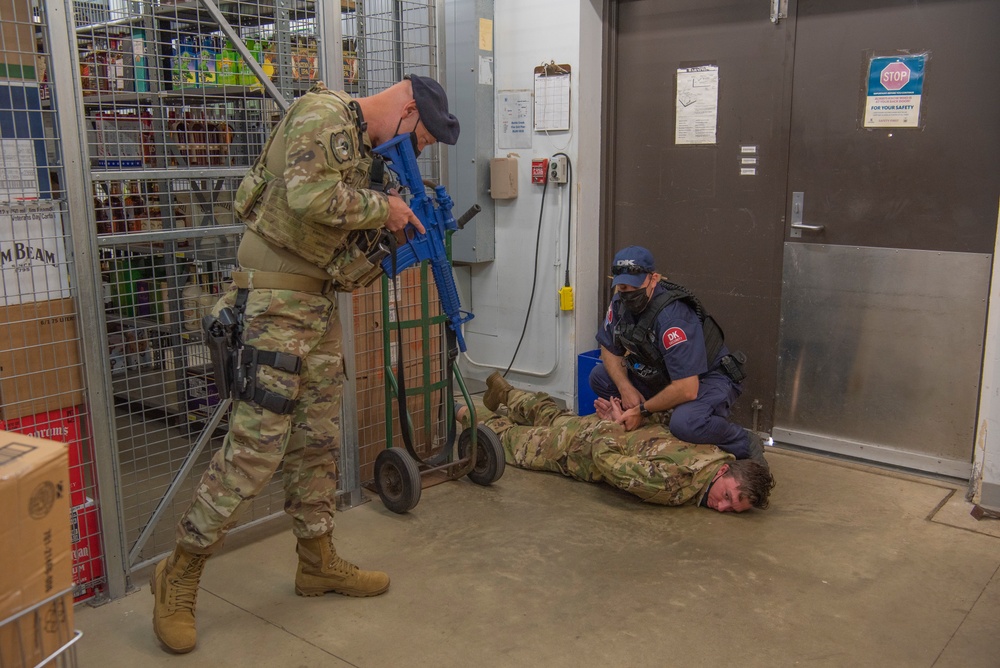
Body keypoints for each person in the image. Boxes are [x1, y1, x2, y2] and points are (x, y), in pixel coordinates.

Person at [150, 75, 460, 654]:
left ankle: (316, 561)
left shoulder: (360, 150)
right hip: (274, 303)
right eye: (422, 138)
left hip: (313, 306)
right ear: (409, 108)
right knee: (255, 446)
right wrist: (384, 209)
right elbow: (306, 198)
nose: (419, 150)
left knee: (316, 441)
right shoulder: (324, 115)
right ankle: (180, 572)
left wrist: (386, 242)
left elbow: (331, 241)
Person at [476, 373, 774, 512]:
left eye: (732, 509)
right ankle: (462, 414)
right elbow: (610, 464)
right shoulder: (675, 485)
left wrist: (626, 420)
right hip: (581, 449)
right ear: (724, 473)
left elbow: (663, 426)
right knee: (508, 440)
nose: (721, 507)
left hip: (612, 428)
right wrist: (611, 425)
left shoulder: (713, 451)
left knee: (553, 416)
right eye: (727, 497)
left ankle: (506, 392)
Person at [590, 245, 767, 467]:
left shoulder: (672, 317)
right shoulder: (620, 302)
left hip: (706, 379)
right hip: (665, 375)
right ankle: (653, 423)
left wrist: (641, 409)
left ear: (653, 279)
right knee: (600, 377)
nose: (627, 294)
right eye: (622, 287)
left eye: (634, 287)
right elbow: (608, 347)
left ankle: (743, 441)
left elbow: (687, 388)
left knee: (686, 423)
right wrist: (626, 388)